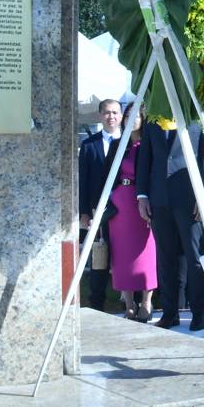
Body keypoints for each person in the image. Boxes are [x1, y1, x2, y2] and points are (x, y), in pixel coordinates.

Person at [140, 123, 204, 331]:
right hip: (159, 198)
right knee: (165, 259)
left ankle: (198, 312)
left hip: (190, 199)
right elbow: (145, 159)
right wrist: (142, 195)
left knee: (195, 258)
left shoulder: (196, 120)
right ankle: (169, 312)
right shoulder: (153, 121)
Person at [107, 107, 156, 322]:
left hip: (144, 201)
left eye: (136, 115)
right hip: (121, 203)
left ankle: (147, 301)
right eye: (128, 116)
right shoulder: (118, 145)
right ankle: (128, 303)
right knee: (122, 253)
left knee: (147, 250)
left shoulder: (149, 143)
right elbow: (106, 174)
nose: (132, 119)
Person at [77, 99, 124, 312]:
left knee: (125, 255)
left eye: (115, 112)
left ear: (121, 116)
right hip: (98, 213)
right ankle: (96, 304)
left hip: (125, 211)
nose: (111, 116)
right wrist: (84, 213)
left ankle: (130, 302)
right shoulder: (89, 145)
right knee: (99, 259)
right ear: (100, 116)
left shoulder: (130, 142)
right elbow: (83, 182)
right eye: (107, 113)